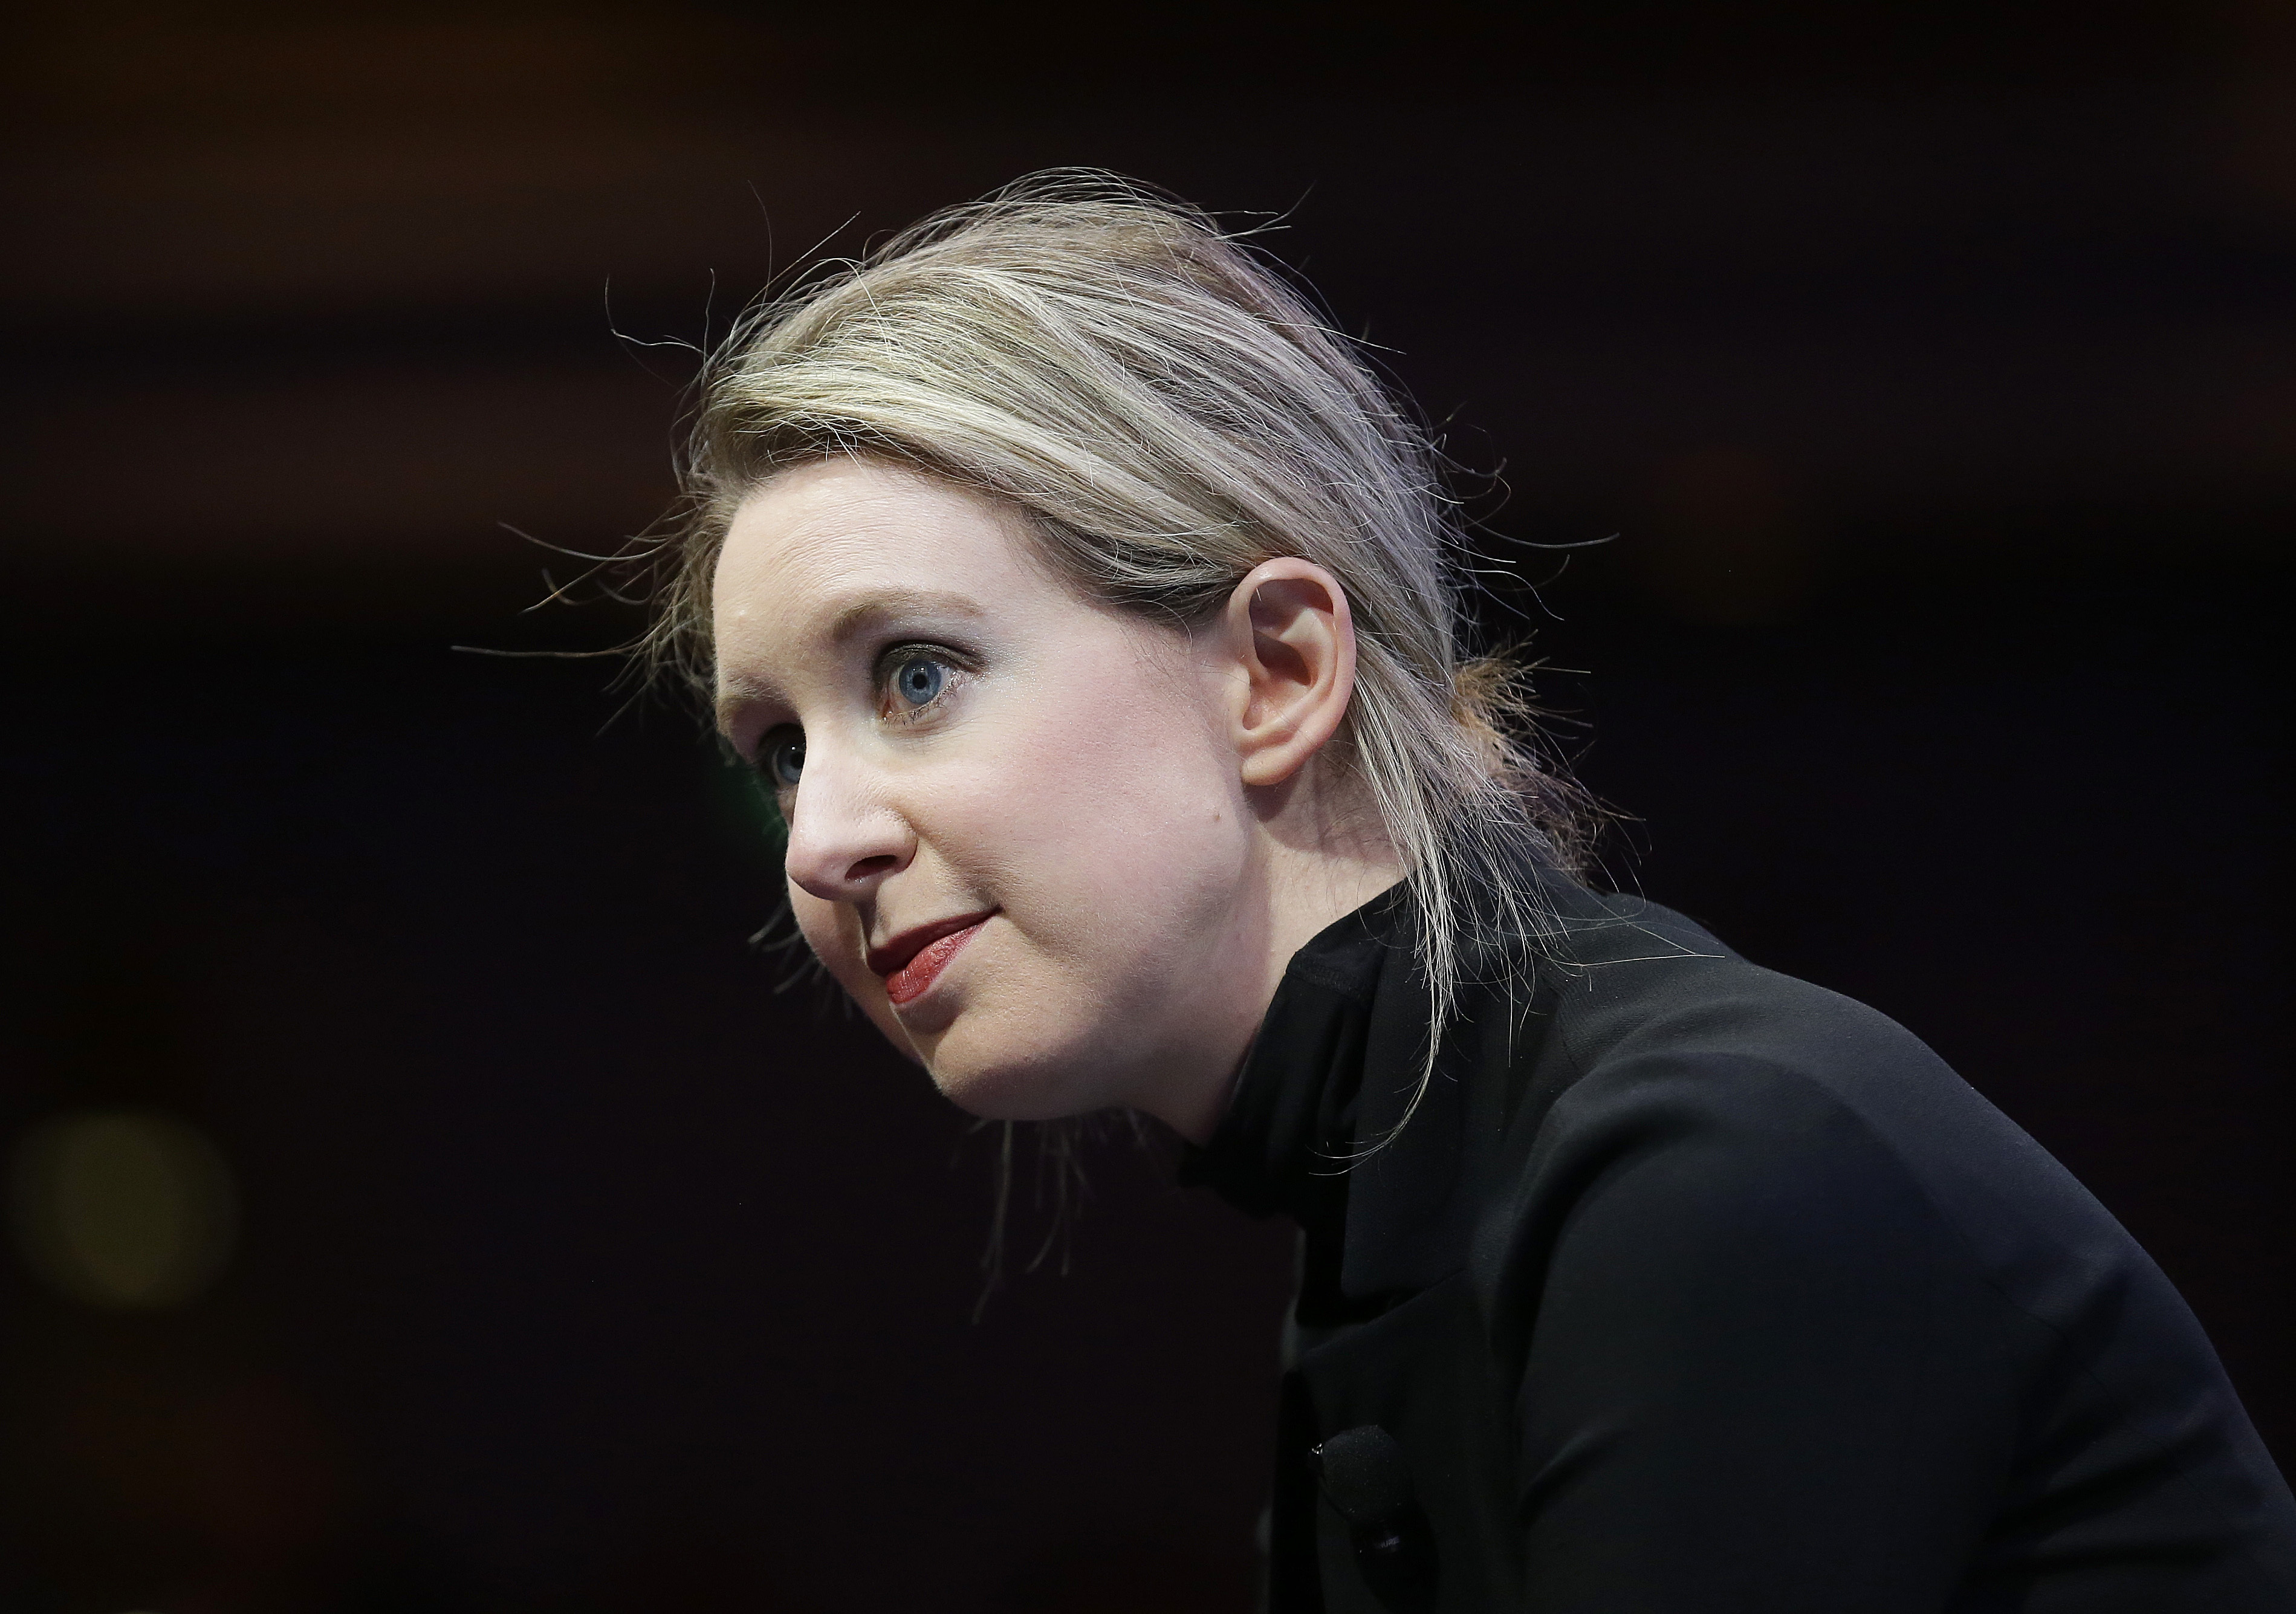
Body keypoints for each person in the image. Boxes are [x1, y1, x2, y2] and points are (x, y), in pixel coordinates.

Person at [642, 171, 2296, 1611]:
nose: (818, 840)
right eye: (780, 749)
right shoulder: (1416, 1201)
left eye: (916, 677)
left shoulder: (1708, 1165)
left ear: (1278, 672)